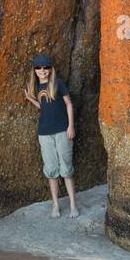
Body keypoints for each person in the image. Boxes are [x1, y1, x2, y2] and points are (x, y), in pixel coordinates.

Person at [23, 53, 78, 218]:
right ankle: (55, 205)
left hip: (62, 131)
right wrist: (29, 99)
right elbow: (43, 106)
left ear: (50, 69)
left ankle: (73, 205)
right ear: (34, 70)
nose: (42, 70)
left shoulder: (58, 84)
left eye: (46, 67)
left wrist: (71, 126)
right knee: (51, 169)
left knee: (66, 169)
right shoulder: (37, 87)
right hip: (44, 134)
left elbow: (69, 104)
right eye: (38, 67)